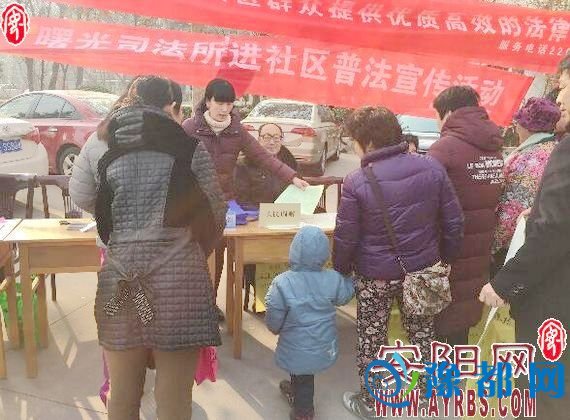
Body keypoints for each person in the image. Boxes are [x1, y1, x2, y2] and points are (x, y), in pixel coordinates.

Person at [93, 76, 227, 420]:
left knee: (122, 394)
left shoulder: (110, 156)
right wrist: (190, 252)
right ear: (171, 106)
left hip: (121, 285)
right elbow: (215, 216)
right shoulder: (189, 150)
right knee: (173, 399)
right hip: (178, 288)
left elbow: (105, 228)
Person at [333, 106, 464, 418]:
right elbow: (454, 221)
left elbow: (346, 236)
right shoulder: (431, 167)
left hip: (374, 276)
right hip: (422, 271)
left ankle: (371, 401)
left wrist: (341, 268)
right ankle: (428, 395)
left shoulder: (357, 180)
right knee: (422, 334)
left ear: (367, 141)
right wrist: (445, 259)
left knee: (372, 337)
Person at [480, 55, 570, 418]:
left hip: (554, 292)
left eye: (565, 86)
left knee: (543, 387)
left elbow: (553, 228)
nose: (559, 97)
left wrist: (504, 281)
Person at [182, 79, 309, 319]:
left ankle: (210, 304)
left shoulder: (237, 130)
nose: (224, 109)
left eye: (229, 104)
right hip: (195, 205)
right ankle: (192, 307)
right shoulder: (190, 128)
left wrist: (292, 177)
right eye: (219, 103)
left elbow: (263, 157)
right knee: (194, 257)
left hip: (222, 204)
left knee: (218, 253)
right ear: (208, 101)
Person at [427, 85, 504, 347]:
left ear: (448, 113)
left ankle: (442, 372)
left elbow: (423, 204)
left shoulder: (444, 149)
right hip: (478, 251)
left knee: (442, 330)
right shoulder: (493, 147)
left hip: (446, 254)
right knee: (461, 324)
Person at [265, 226, 354, 420]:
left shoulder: (282, 283)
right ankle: (296, 390)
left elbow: (274, 315)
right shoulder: (332, 278)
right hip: (323, 344)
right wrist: (350, 279)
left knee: (303, 374)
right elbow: (344, 296)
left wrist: (275, 328)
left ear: (294, 250)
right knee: (302, 370)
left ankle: (303, 412)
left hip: (295, 345)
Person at [491, 98, 560, 275]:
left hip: (511, 247)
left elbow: (513, 208)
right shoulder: (553, 149)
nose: (516, 127)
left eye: (518, 122)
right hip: (535, 243)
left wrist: (492, 246)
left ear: (528, 126)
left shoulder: (531, 158)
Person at [235, 122, 298, 209]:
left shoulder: (290, 162)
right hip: (256, 214)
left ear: (281, 140)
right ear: (259, 139)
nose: (272, 142)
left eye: (276, 138)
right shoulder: (244, 165)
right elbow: (242, 201)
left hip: (285, 212)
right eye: (267, 137)